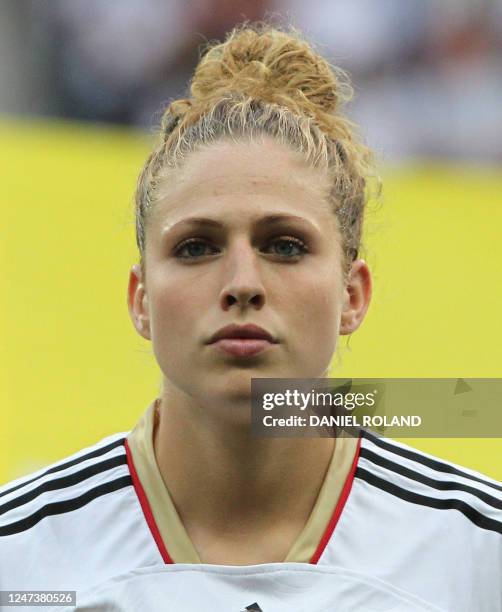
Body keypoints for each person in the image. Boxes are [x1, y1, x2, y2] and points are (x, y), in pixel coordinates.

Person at [0, 22, 500, 612]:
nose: (242, 284)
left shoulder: (479, 554)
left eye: (285, 245)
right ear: (140, 301)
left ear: (352, 295)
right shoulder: (21, 561)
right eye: (196, 247)